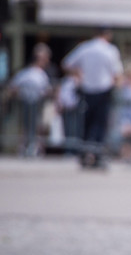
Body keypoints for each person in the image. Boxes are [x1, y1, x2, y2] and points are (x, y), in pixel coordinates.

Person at [62, 27, 123, 168]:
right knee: (100, 125)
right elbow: (117, 73)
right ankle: (96, 155)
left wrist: (80, 75)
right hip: (104, 90)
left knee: (87, 124)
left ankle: (84, 154)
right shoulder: (110, 50)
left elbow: (67, 64)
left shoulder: (85, 47)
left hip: (87, 89)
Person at [8, 43, 52, 157]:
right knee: (25, 127)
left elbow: (46, 90)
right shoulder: (27, 72)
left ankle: (34, 148)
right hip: (25, 104)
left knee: (36, 127)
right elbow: (13, 86)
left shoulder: (41, 74)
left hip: (37, 105)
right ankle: (25, 148)